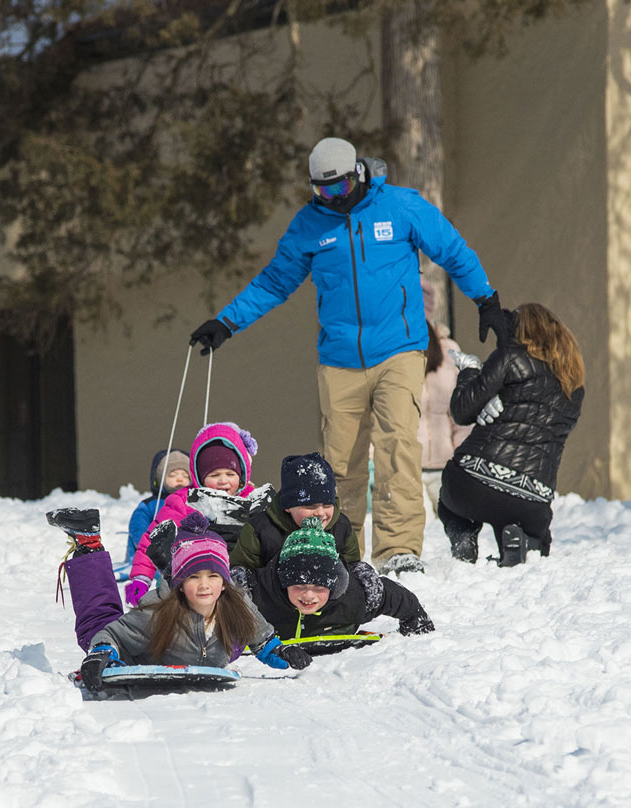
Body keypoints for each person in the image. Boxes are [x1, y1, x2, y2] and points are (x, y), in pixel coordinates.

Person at [188, 137, 502, 576]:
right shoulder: (309, 226)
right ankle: (341, 546)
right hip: (339, 357)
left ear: (357, 174)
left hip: (399, 347)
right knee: (340, 460)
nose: (331, 199)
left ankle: (397, 550)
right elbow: (274, 282)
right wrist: (227, 322)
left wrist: (485, 299)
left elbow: (453, 249)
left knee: (397, 446)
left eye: (338, 189)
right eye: (322, 192)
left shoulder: (400, 206)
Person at [45, 508, 311, 691]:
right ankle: (88, 542)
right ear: (181, 585)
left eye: (213, 576)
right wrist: (101, 653)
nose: (206, 585)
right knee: (98, 623)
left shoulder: (237, 603)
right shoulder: (156, 612)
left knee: (232, 617)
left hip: (214, 642)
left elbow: (261, 637)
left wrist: (280, 651)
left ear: (225, 582)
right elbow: (113, 635)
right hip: (141, 650)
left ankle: (173, 561)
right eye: (194, 577)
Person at [439, 302, 584, 566]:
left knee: (450, 502)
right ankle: (525, 541)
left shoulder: (511, 356)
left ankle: (464, 538)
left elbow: (462, 411)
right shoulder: (574, 386)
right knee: (535, 540)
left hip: (473, 487)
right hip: (533, 502)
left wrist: (470, 371)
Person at [235, 516, 434, 665]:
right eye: (299, 586)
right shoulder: (259, 595)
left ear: (332, 584)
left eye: (319, 588)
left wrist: (416, 621)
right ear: (283, 581)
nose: (308, 596)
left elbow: (393, 596)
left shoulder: (354, 597)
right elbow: (225, 605)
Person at [125, 422, 272, 606]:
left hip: (244, 588)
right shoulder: (185, 500)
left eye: (230, 474)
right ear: (199, 476)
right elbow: (153, 538)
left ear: (242, 474)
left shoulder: (253, 500)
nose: (223, 481)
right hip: (193, 584)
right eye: (215, 475)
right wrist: (141, 578)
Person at [230, 451, 361, 571]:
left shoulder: (342, 528)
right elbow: (241, 572)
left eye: (327, 505)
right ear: (287, 506)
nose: (320, 512)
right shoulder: (260, 530)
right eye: (310, 506)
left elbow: (352, 570)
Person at [418, 317, 474, 509]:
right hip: (410, 469)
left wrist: (462, 454)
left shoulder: (449, 353)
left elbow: (462, 415)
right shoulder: (395, 355)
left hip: (445, 466)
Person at [125, 448, 190, 564]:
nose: (180, 479)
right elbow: (137, 528)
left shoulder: (194, 503)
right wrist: (151, 548)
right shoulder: (150, 505)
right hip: (150, 557)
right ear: (160, 479)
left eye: (185, 476)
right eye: (173, 475)